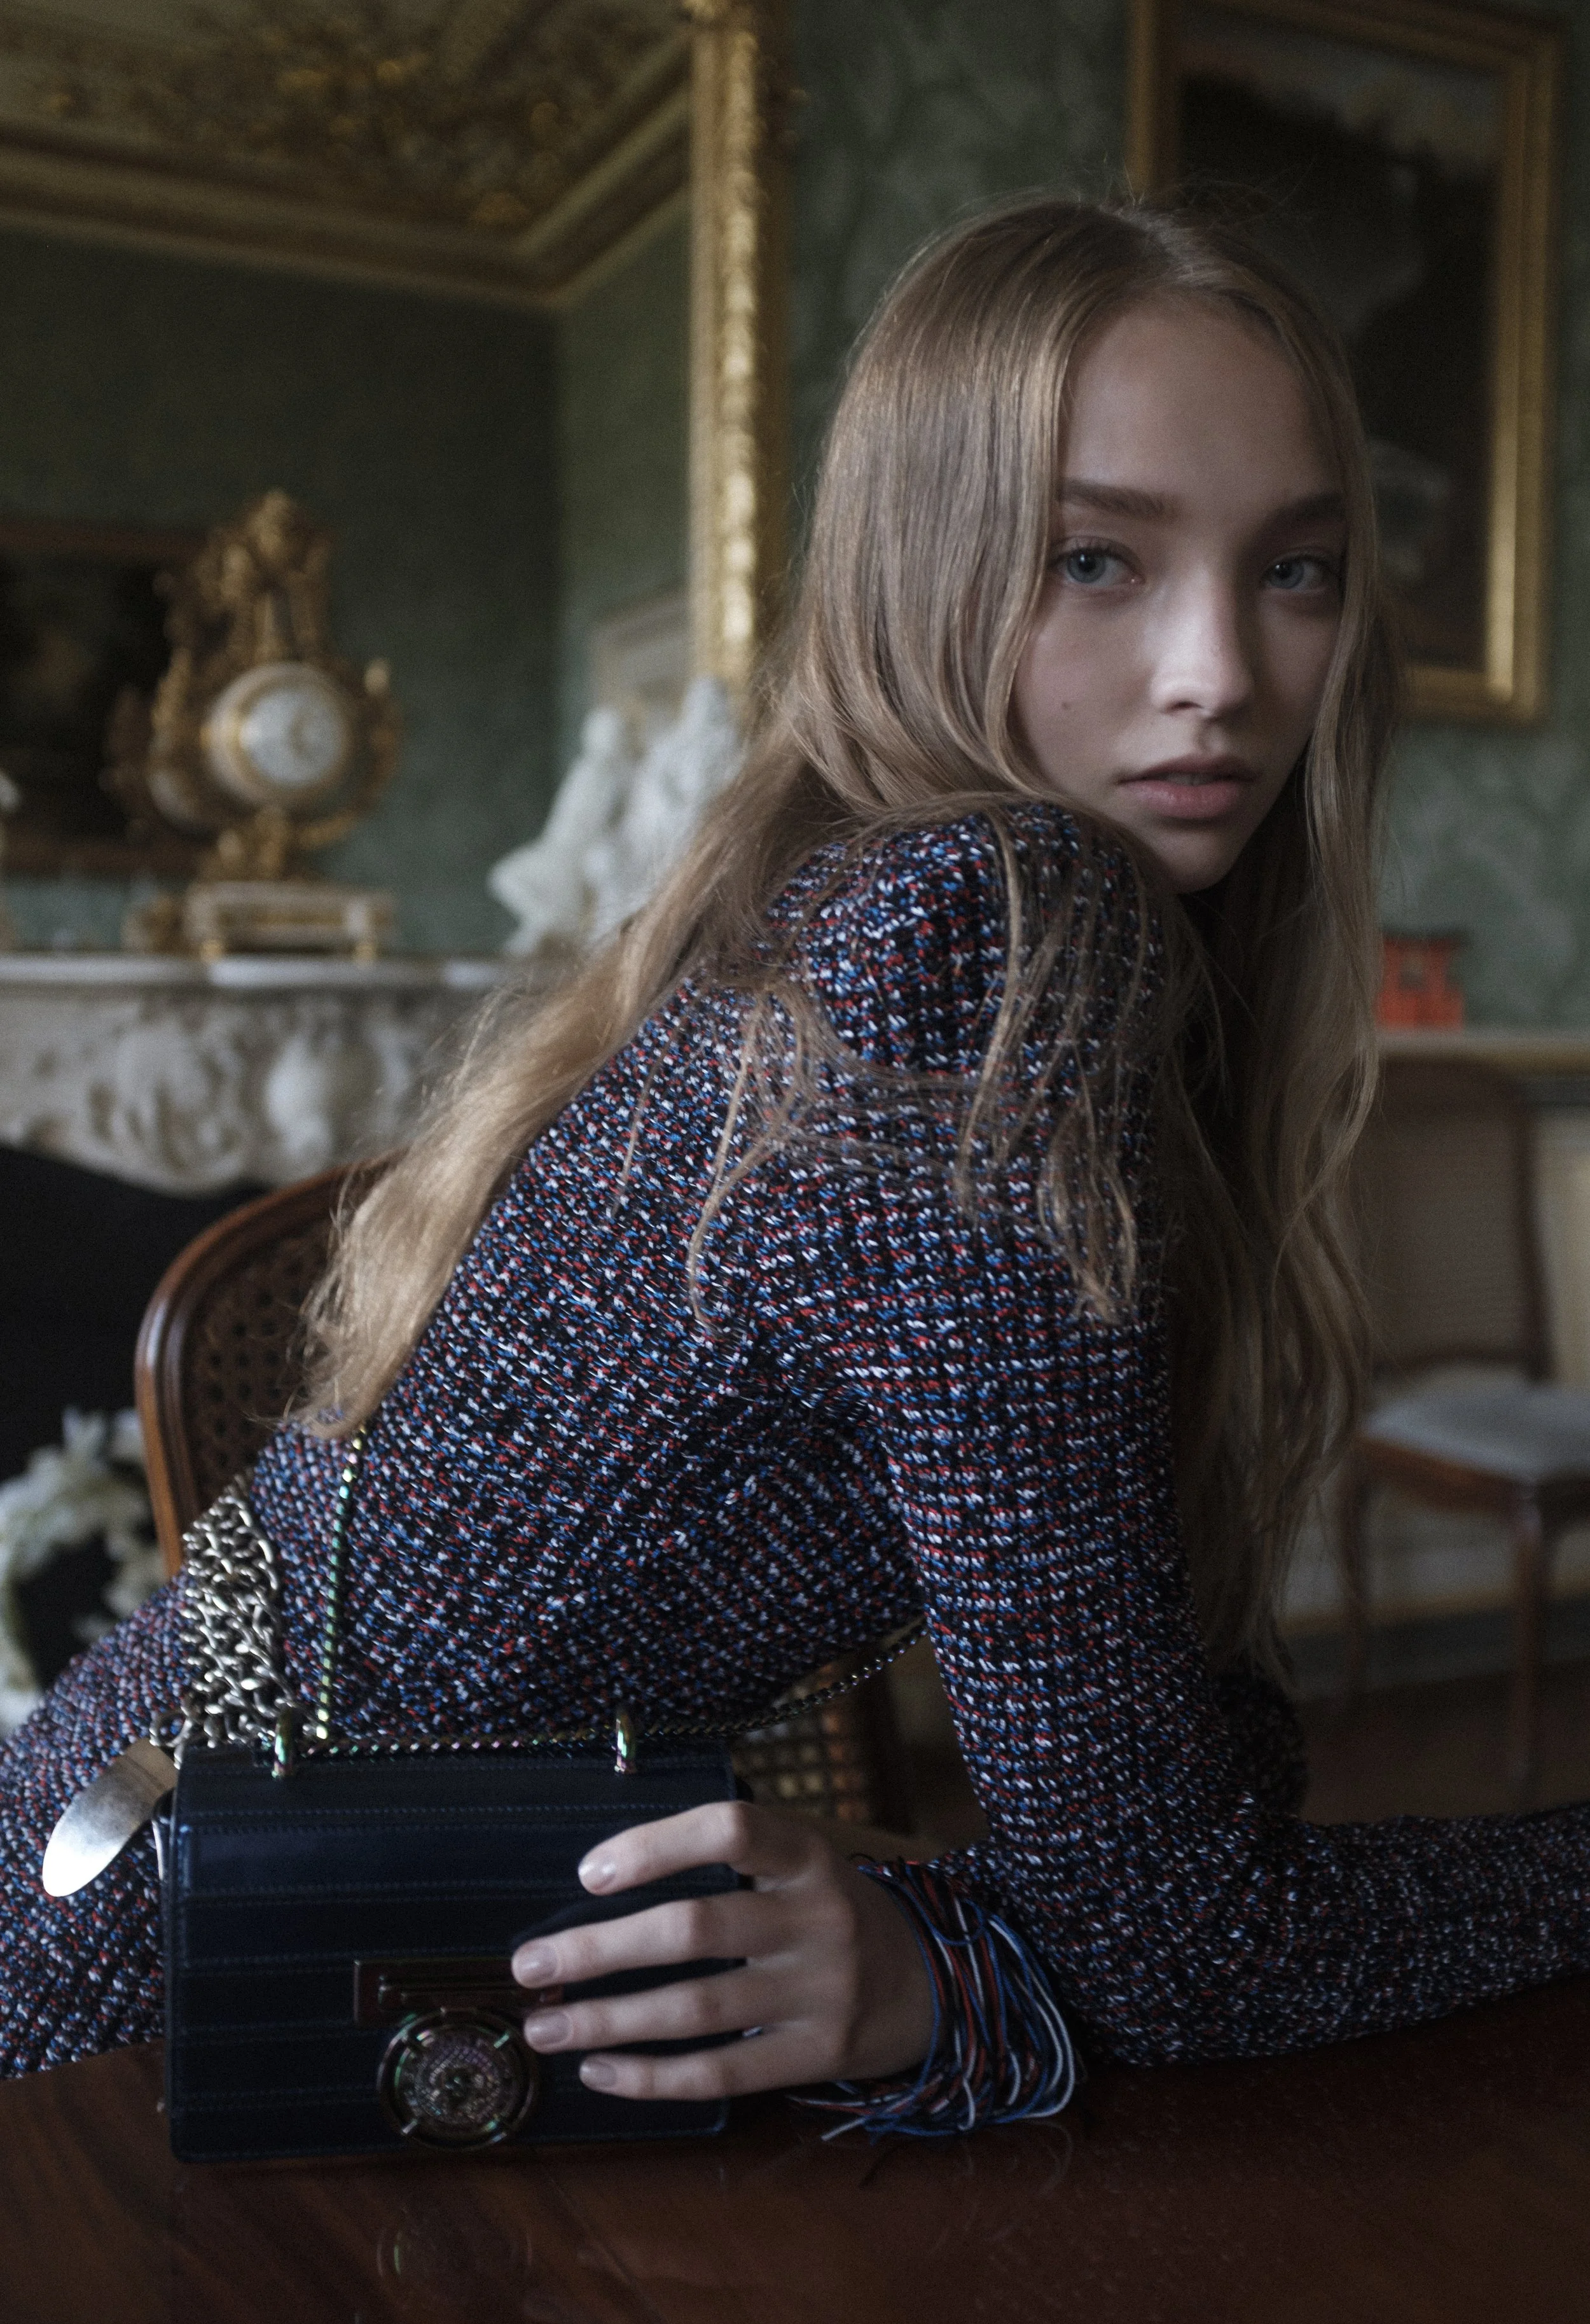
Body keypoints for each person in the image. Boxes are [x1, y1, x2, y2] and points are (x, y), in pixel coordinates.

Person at [4, 194, 1588, 2130]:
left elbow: (1180, 1811)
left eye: (1298, 571)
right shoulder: (977, 928)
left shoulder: (862, 910)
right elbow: (1186, 1934)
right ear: (925, 572)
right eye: (1092, 557)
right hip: (136, 2027)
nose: (1219, 671)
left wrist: (954, 1936)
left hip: (184, 1889)